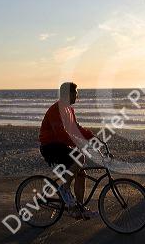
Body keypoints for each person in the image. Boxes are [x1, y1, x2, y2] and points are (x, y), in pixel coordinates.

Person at [39, 82, 98, 219]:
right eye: (76, 93)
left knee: (80, 173)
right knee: (79, 158)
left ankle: (79, 207)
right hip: (50, 147)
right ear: (68, 94)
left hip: (60, 146)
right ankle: (64, 188)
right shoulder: (56, 109)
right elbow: (60, 134)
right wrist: (79, 143)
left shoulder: (69, 110)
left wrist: (92, 137)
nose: (77, 96)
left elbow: (75, 128)